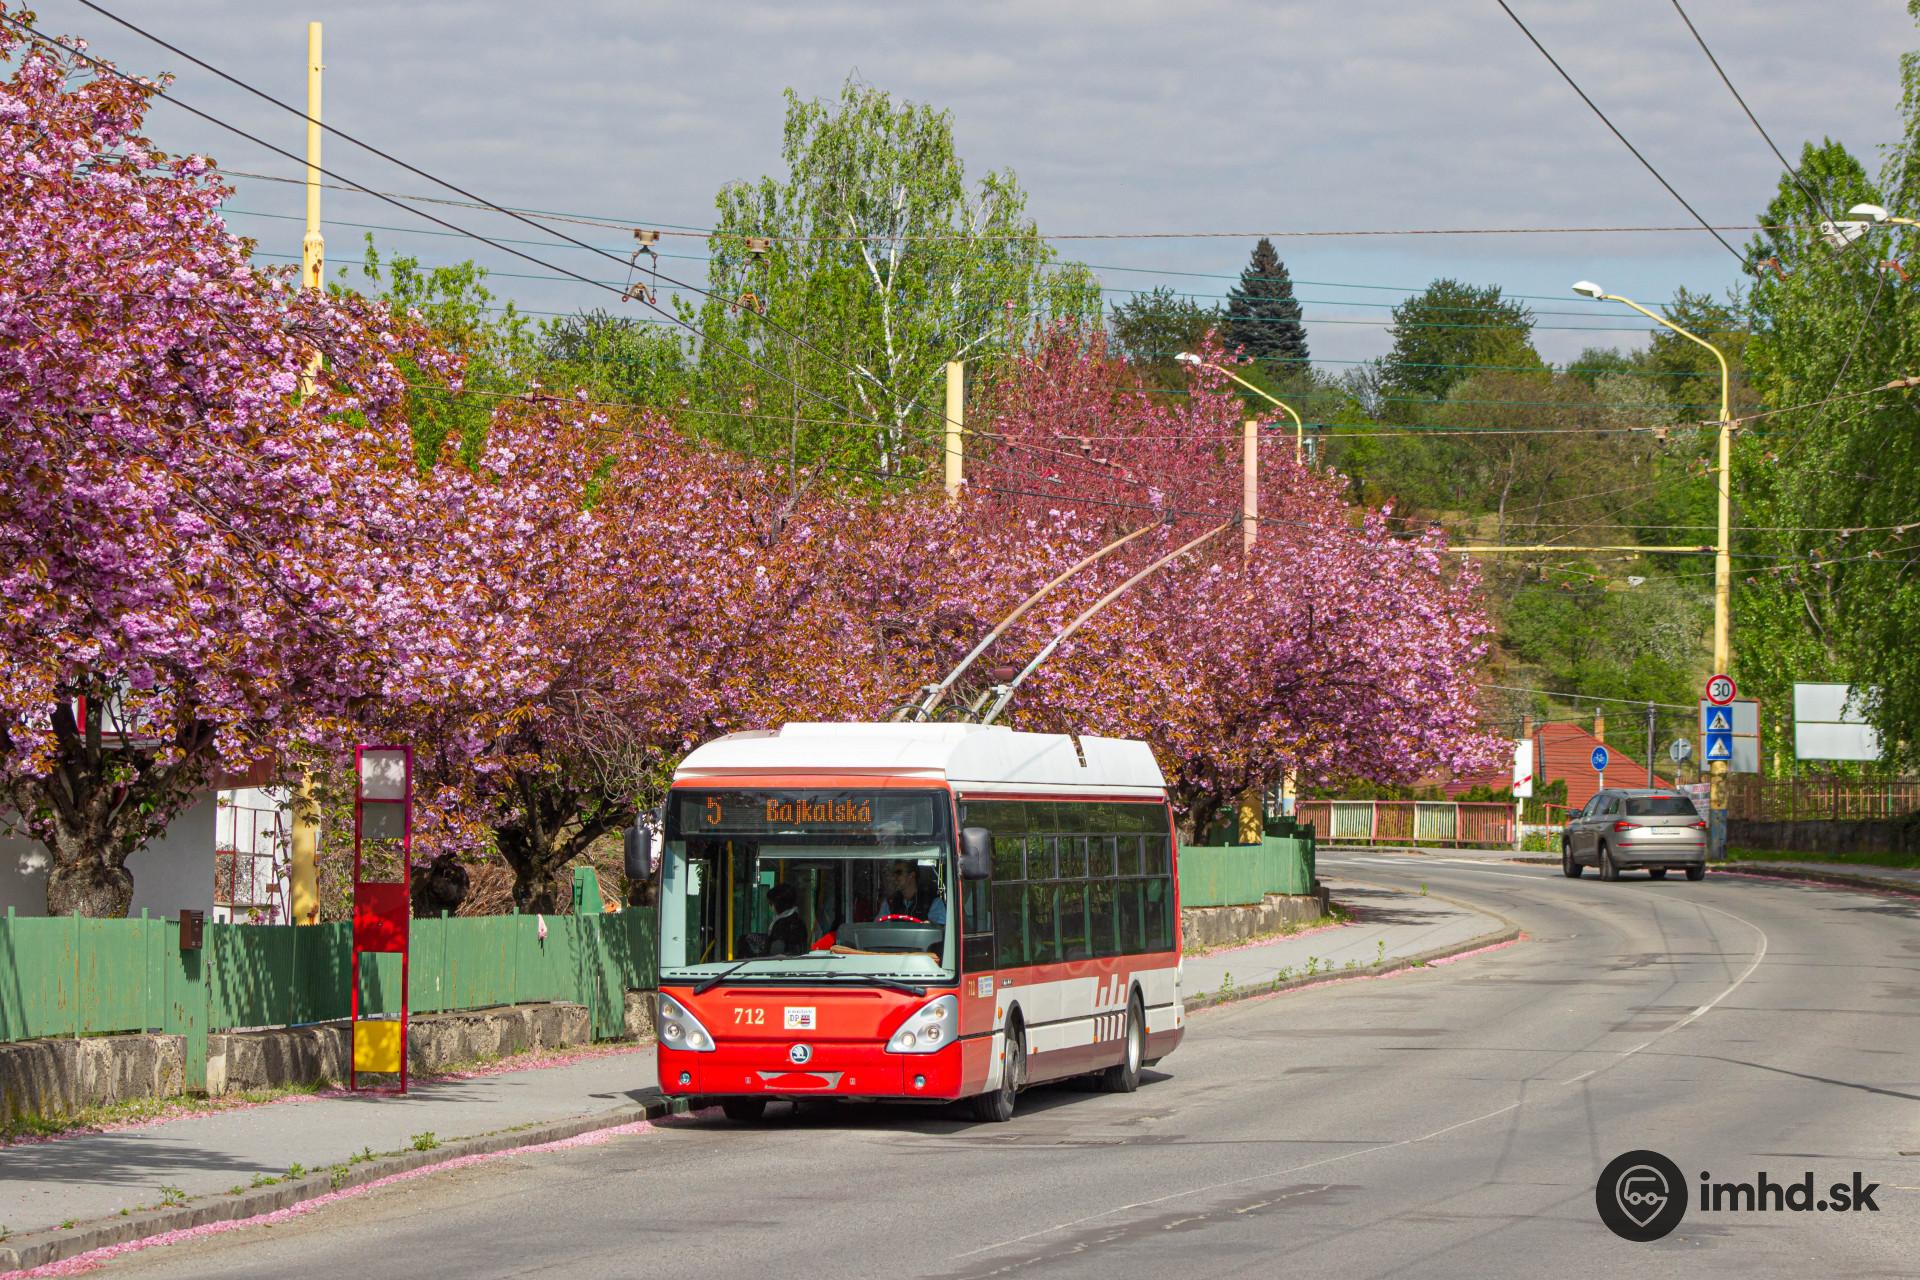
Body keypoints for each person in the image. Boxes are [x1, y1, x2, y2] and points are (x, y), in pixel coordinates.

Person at [879, 860, 946, 926]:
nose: (894, 877)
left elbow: (940, 931)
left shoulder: (933, 902)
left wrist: (929, 925)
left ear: (911, 875)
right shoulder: (890, 902)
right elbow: (879, 928)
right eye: (893, 874)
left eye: (898, 873)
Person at [766, 882, 810, 956]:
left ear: (779, 903)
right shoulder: (798, 920)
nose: (770, 907)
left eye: (771, 903)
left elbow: (776, 951)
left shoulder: (781, 924)